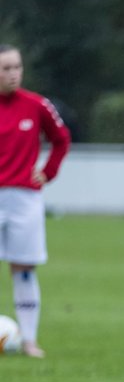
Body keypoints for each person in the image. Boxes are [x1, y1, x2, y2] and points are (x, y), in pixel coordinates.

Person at [0, 44, 71, 358]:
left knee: (24, 269)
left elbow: (61, 138)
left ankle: (29, 339)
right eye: (6, 69)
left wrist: (49, 171)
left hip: (25, 199)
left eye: (17, 67)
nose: (13, 74)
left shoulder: (37, 105)